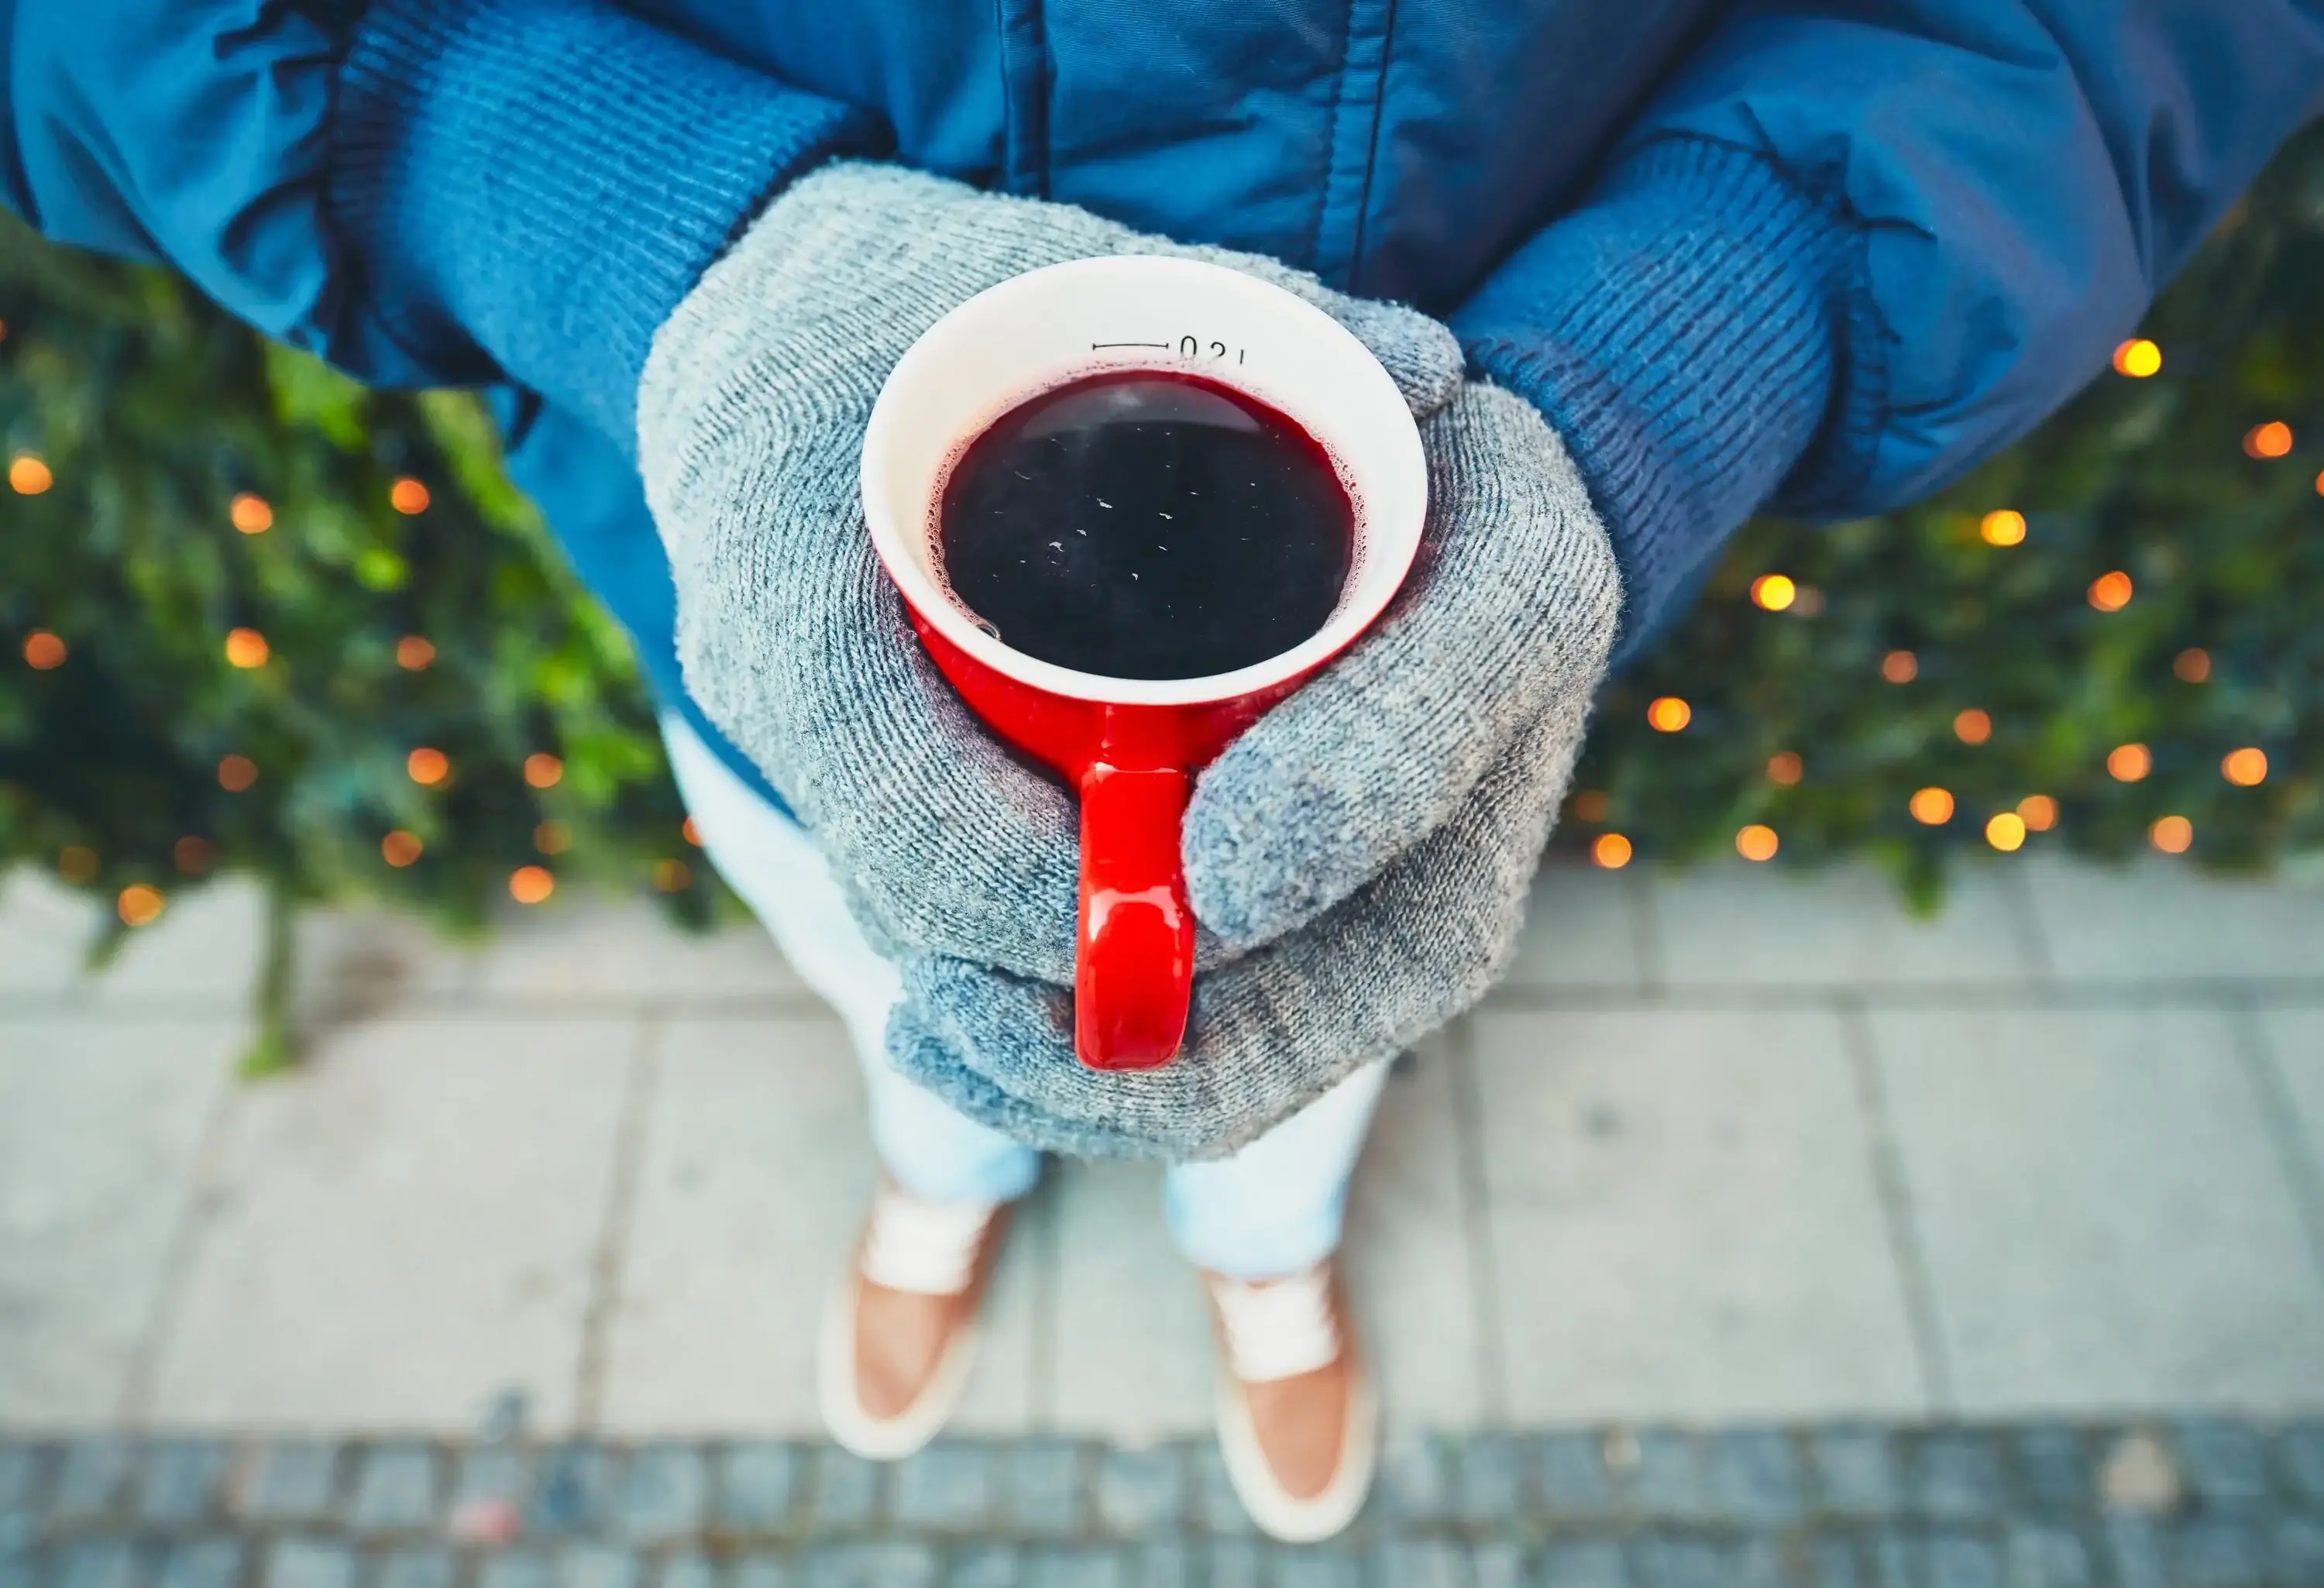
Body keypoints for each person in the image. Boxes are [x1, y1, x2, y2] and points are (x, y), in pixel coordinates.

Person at [7, 0, 2319, 1541]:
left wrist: (1703, 325)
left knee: (1322, 1015)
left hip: (1454, 509)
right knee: (869, 950)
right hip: (725, 518)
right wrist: (589, 198)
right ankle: (946, 1167)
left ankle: (1260, 1244)